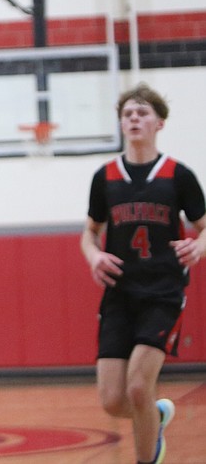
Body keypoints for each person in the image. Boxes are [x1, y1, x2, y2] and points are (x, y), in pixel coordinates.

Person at [80, 83, 206, 464]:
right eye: (128, 114)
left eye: (142, 113)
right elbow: (90, 231)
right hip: (119, 294)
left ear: (159, 123)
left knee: (138, 389)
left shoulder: (178, 176)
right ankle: (159, 414)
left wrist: (200, 245)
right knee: (112, 401)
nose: (134, 118)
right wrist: (93, 257)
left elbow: (204, 226)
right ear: (121, 124)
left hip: (163, 293)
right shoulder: (105, 177)